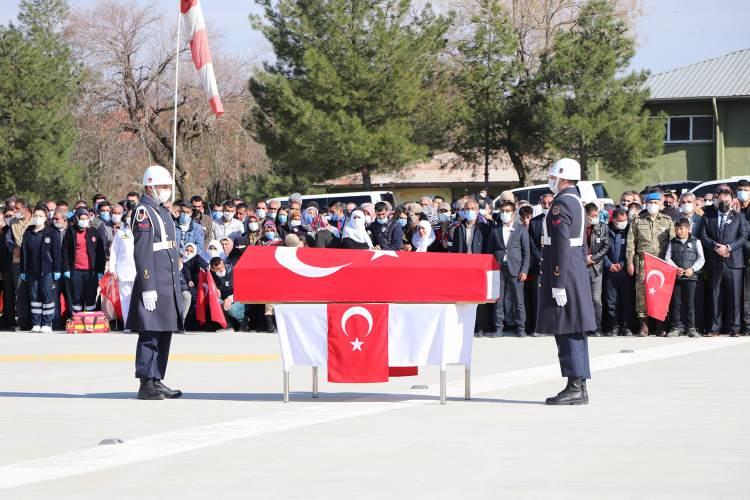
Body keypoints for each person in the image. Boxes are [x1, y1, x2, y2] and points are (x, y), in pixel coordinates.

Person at [537, 158, 596, 406]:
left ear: (562, 177)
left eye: (554, 176)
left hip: (564, 270)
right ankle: (578, 385)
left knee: (567, 329)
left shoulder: (562, 203)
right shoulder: (577, 201)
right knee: (575, 329)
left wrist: (558, 280)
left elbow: (561, 243)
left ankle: (575, 386)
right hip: (574, 269)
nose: (551, 180)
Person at [127, 165, 184, 400]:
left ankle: (157, 377)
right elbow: (142, 253)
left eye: (168, 187)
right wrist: (147, 286)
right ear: (150, 186)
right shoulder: (144, 212)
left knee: (163, 332)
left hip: (166, 281)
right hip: (154, 283)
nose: (167, 191)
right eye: (163, 186)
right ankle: (146, 382)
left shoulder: (161, 211)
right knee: (150, 333)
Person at [699, 187, 749, 337]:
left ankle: (735, 328)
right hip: (715, 262)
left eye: (727, 201)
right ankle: (714, 328)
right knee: (715, 295)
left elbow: (744, 236)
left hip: (734, 263)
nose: (724, 203)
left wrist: (729, 247)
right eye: (721, 200)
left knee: (734, 297)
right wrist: (715, 247)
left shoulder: (739, 217)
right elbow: (703, 235)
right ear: (716, 200)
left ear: (733, 201)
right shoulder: (708, 217)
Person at [626, 191, 675, 336]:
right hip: (643, 262)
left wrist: (672, 263)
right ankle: (644, 326)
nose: (653, 205)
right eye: (650, 203)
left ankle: (660, 325)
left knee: (660, 293)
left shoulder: (667, 221)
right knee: (642, 294)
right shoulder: (637, 220)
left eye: (655, 203)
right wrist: (629, 262)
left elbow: (673, 243)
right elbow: (630, 243)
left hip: (661, 262)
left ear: (660, 204)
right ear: (646, 204)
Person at [487, 200, 529, 338]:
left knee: (519, 300)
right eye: (502, 211)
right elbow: (489, 251)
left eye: (508, 211)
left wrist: (524, 270)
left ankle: (520, 328)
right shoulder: (495, 230)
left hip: (515, 269)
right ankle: (499, 328)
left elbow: (526, 252)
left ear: (513, 213)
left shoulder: (521, 229)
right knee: (498, 300)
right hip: (498, 269)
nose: (505, 214)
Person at [20, 207, 62, 332]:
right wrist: (23, 270)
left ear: (45, 218)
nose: (38, 218)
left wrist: (57, 269)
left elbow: (57, 253)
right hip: (32, 271)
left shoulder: (51, 233)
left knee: (46, 295)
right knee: (34, 296)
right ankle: (36, 323)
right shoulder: (28, 232)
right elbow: (24, 253)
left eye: (41, 216)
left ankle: (47, 323)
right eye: (36, 215)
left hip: (47, 270)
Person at [665, 218, 705, 338]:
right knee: (676, 303)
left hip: (691, 278)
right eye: (677, 228)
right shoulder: (672, 242)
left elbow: (701, 258)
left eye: (681, 228)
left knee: (690, 303)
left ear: (688, 229)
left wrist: (692, 269)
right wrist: (675, 268)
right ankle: (676, 327)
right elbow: (668, 257)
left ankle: (691, 328)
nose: (679, 231)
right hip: (676, 278)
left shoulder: (696, 241)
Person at [62, 208, 105, 315]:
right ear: (77, 218)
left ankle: (89, 320)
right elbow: (65, 252)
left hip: (91, 271)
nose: (84, 220)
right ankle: (77, 320)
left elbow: (100, 253)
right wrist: (66, 268)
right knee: (76, 296)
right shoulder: (70, 231)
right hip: (75, 271)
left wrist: (100, 270)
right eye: (82, 218)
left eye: (86, 218)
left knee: (90, 296)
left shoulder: (94, 232)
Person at [603, 208, 634, 336]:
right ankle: (613, 326)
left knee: (626, 300)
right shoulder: (606, 230)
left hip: (625, 271)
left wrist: (622, 264)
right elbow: (600, 249)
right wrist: (609, 264)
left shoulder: (629, 231)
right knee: (611, 301)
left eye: (625, 220)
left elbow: (632, 249)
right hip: (610, 272)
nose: (623, 223)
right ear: (614, 220)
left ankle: (625, 326)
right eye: (620, 221)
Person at [584, 203, 610, 336]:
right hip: (581, 267)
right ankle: (584, 327)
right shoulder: (579, 227)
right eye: (593, 216)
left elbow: (605, 247)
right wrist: (584, 258)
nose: (595, 218)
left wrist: (593, 258)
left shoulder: (603, 227)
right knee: (583, 299)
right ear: (586, 215)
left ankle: (596, 327)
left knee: (596, 298)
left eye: (597, 215)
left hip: (596, 267)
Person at [109, 210, 136, 330]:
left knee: (137, 298)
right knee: (125, 299)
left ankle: (138, 324)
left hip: (138, 271)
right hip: (123, 270)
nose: (131, 218)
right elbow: (114, 252)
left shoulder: (142, 232)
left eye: (133, 216)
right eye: (129, 216)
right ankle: (127, 324)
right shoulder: (120, 233)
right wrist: (112, 269)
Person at [209, 257, 245, 330]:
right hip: (223, 299)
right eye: (218, 269)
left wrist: (230, 299)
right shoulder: (212, 275)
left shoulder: (234, 271)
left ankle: (244, 322)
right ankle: (227, 324)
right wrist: (215, 290)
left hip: (238, 298)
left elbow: (242, 290)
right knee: (216, 302)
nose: (221, 270)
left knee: (231, 309)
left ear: (223, 262)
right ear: (213, 269)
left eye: (222, 267)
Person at [737, 179, 750, 335]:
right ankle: (740, 324)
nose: (743, 193)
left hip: (747, 256)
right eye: (740, 190)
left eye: (746, 190)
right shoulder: (734, 209)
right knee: (739, 295)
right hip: (736, 259)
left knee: (747, 294)